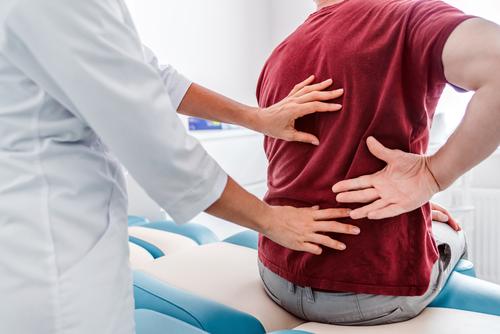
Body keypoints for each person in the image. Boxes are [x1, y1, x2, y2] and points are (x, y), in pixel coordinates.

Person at [0, 1, 365, 333]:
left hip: (71, 225)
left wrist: (256, 118)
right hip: (48, 249)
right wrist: (272, 221)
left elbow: (155, 76)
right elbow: (160, 150)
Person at [257, 0, 500, 326]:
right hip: (370, 295)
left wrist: (420, 208)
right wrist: (433, 176)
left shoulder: (279, 54)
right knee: (455, 234)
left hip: (275, 273)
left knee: (432, 222)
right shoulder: (406, 16)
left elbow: (305, 166)